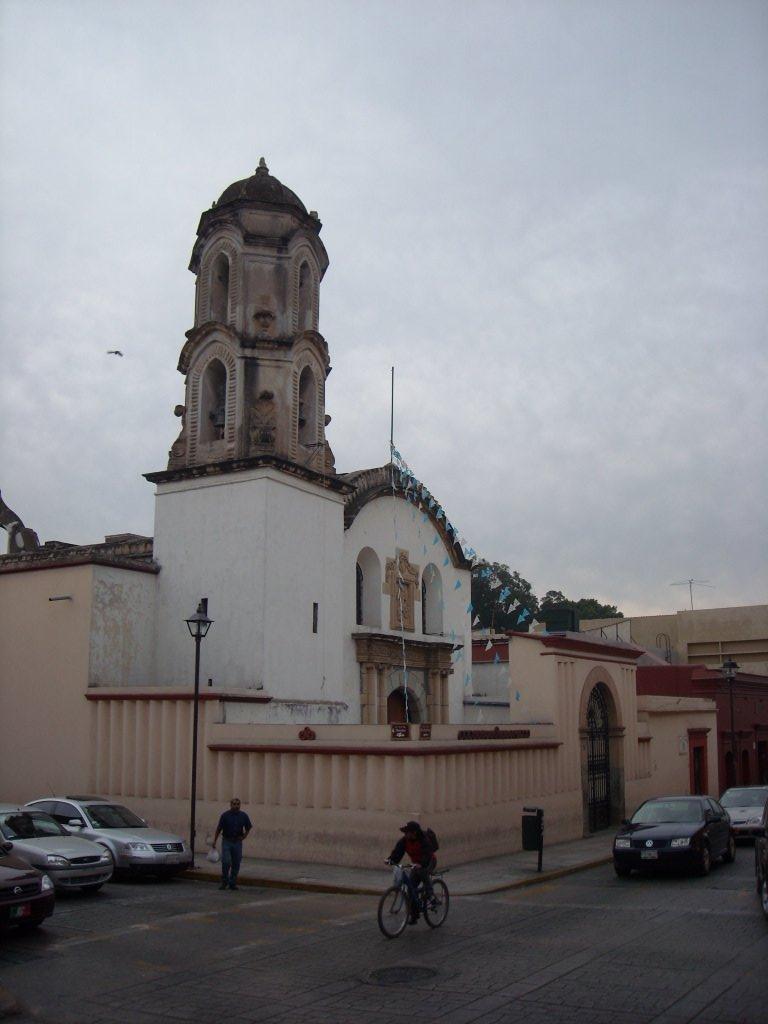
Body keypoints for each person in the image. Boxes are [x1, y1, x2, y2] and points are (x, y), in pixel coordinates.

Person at [386, 820, 437, 924]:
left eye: (407, 832)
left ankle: (431, 895)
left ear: (414, 833)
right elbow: (398, 852)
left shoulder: (423, 840)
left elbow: (427, 854)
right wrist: (391, 860)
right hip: (416, 864)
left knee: (422, 871)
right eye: (405, 832)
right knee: (411, 889)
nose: (405, 834)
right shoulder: (405, 841)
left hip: (429, 861)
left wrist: (421, 863)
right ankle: (414, 916)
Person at [213, 798, 252, 890]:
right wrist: (214, 841)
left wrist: (244, 836)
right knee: (226, 861)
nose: (236, 806)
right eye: (234, 804)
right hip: (227, 841)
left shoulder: (243, 816)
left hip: (237, 842)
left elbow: (248, 827)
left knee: (236, 863)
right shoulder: (225, 815)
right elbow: (219, 829)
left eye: (238, 804)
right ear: (230, 805)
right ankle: (224, 881)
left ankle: (232, 883)